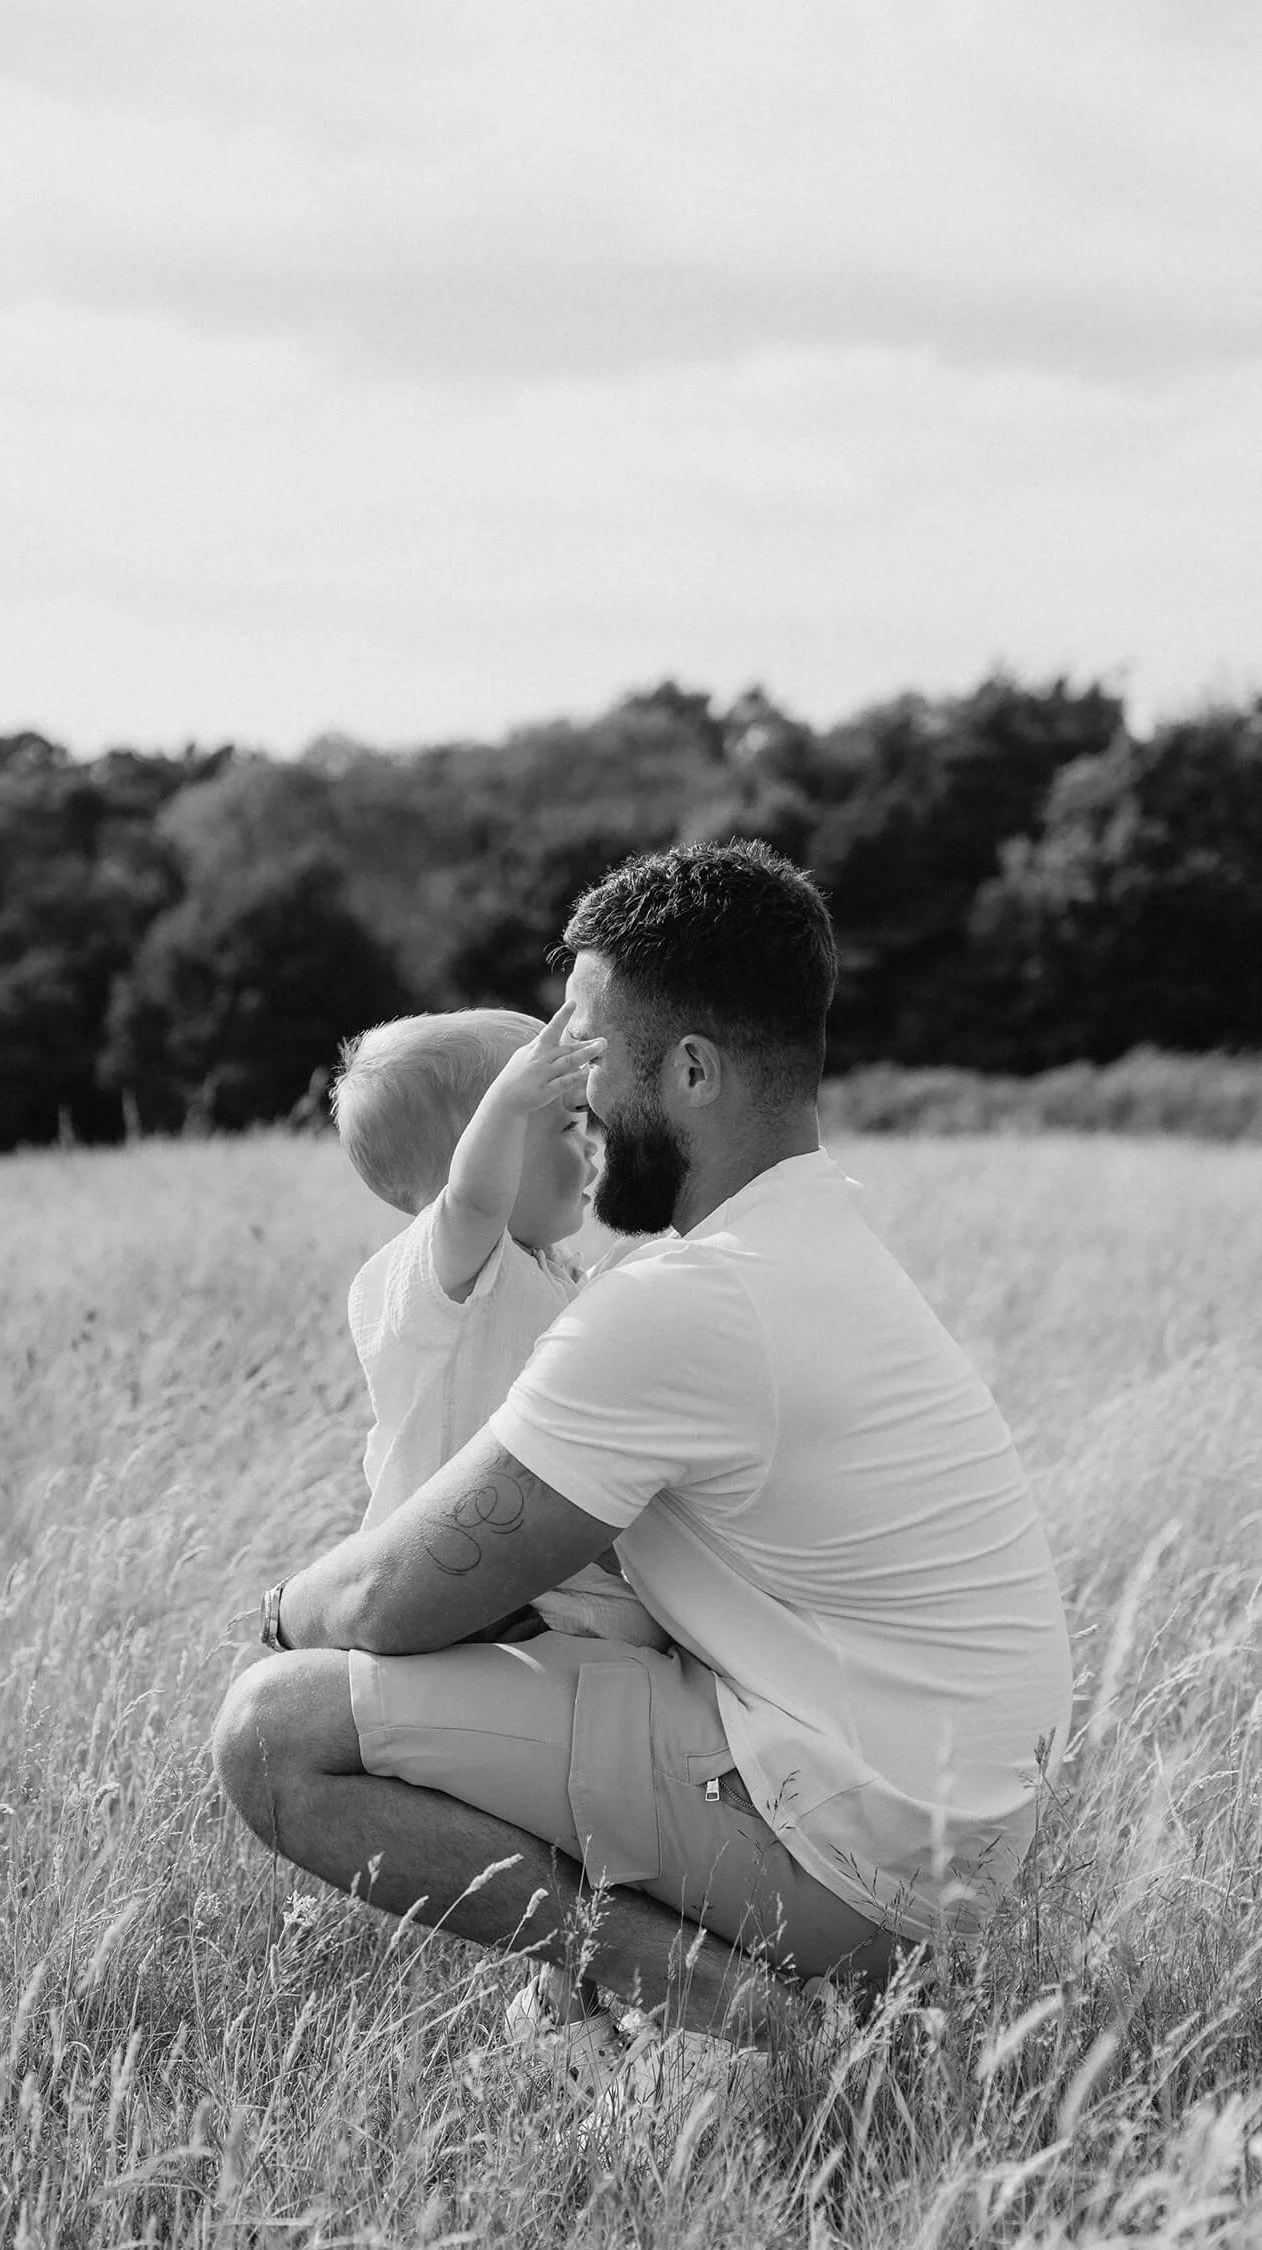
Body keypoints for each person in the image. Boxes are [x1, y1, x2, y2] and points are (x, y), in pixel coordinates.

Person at [213, 840, 1073, 2110]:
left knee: (273, 1732)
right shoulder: (811, 1240)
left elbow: (398, 1603)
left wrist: (280, 1613)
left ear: (692, 1071)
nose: (582, 1108)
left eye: (591, 1060)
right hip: (938, 1823)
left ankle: (759, 2014)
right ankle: (658, 2010)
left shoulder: (685, 1306)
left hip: (861, 1851)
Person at [330, 1002, 668, 1647]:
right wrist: (510, 1102)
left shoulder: (544, 1267)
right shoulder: (442, 1271)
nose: (593, 1144)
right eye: (568, 1124)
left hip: (533, 1569)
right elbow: (474, 1198)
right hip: (454, 1578)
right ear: (487, 1150)